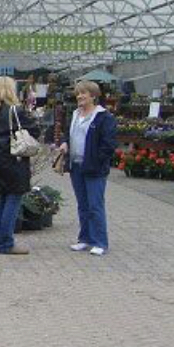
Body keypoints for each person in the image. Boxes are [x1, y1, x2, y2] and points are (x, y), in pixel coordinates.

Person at [58, 80, 118, 256]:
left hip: (94, 168)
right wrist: (65, 143)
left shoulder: (103, 117)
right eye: (78, 94)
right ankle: (84, 238)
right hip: (76, 165)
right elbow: (68, 134)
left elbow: (109, 144)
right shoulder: (75, 114)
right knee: (82, 205)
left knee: (95, 205)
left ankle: (100, 241)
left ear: (93, 96)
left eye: (83, 93)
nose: (79, 97)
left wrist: (98, 159)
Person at [0, 76, 40, 256]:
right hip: (13, 161)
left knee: (2, 199)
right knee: (13, 199)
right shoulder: (14, 110)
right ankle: (6, 242)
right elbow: (34, 131)